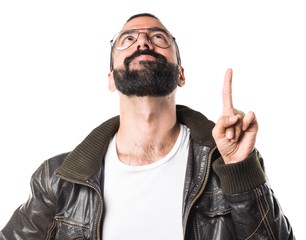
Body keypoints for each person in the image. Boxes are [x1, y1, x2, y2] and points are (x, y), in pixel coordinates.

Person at [0, 13, 295, 240]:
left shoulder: (225, 165)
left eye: (158, 38)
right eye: (127, 39)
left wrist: (240, 169)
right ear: (111, 78)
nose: (143, 42)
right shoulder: (58, 179)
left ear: (181, 74)